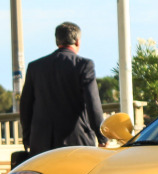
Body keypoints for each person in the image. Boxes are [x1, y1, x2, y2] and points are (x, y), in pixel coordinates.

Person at [18, 22, 107, 161]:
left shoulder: (35, 67)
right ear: (78, 42)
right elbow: (93, 103)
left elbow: (25, 106)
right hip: (76, 143)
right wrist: (102, 137)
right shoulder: (83, 65)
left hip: (41, 145)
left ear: (57, 41)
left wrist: (28, 138)